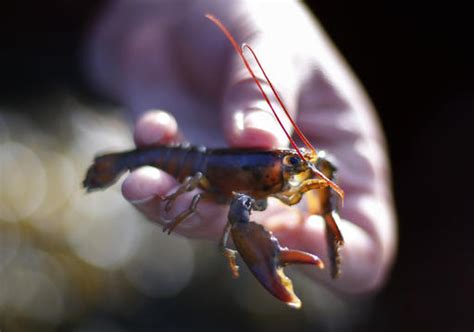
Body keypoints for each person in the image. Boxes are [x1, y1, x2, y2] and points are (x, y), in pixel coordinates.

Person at [85, 0, 396, 293]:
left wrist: (325, 213)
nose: (296, 167)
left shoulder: (280, 172)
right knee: (219, 208)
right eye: (289, 164)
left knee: (319, 163)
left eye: (291, 164)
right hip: (187, 165)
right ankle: (112, 165)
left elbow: (322, 164)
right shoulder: (249, 181)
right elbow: (238, 211)